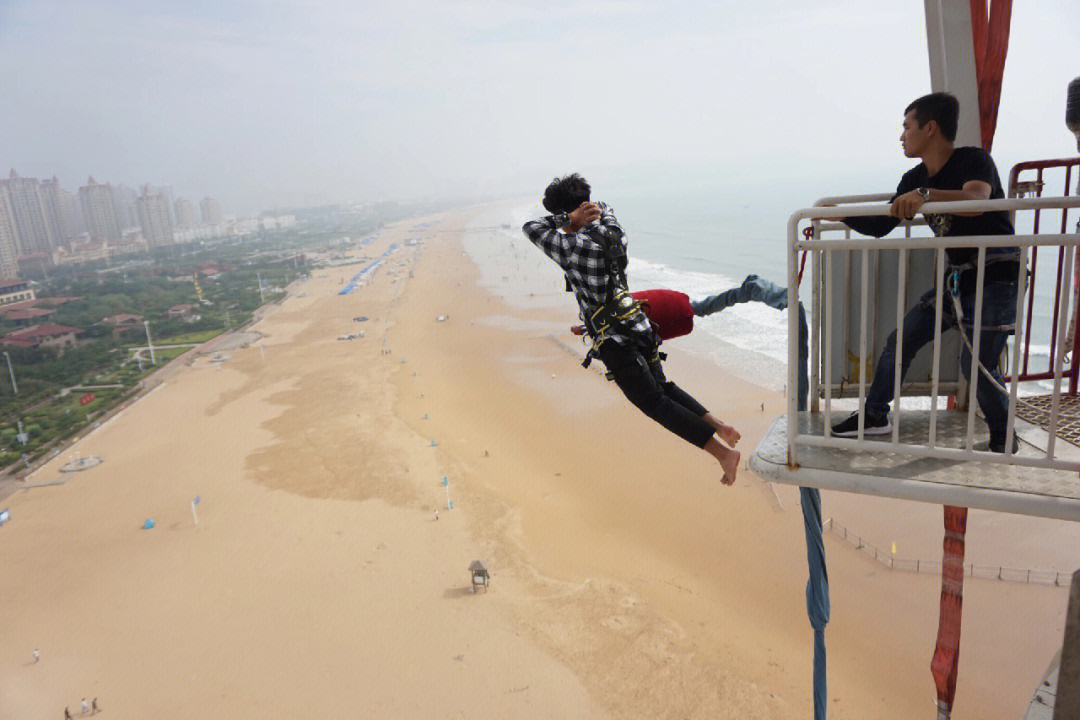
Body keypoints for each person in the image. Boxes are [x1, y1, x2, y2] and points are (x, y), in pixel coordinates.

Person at [828, 92, 1020, 452]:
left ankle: (1003, 436)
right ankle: (874, 416)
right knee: (901, 340)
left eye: (906, 126)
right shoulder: (913, 176)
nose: (901, 135)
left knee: (976, 365)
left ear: (930, 128)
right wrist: (842, 215)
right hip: (959, 279)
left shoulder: (974, 160)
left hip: (996, 276)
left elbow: (977, 203)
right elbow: (883, 223)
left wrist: (925, 194)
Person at [522, 174, 741, 484]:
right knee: (661, 388)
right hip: (638, 323)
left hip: (615, 339)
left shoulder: (572, 245)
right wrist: (588, 211)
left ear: (570, 214)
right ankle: (719, 426)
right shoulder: (613, 230)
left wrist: (567, 220)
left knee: (651, 401)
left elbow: (531, 228)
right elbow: (605, 208)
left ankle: (723, 453)